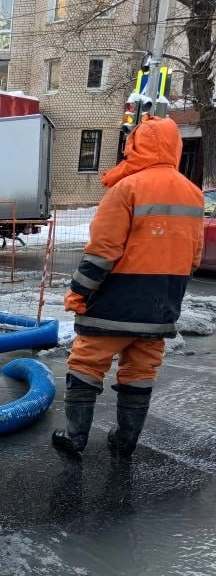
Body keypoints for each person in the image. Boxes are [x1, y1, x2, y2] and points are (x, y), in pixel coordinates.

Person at [52, 116, 204, 458]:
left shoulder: (127, 188)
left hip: (114, 303)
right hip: (160, 306)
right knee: (141, 370)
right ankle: (125, 441)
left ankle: (75, 437)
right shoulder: (193, 194)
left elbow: (103, 252)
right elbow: (193, 259)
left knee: (86, 364)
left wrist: (78, 292)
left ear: (135, 146)